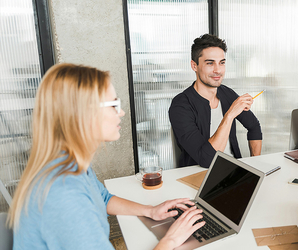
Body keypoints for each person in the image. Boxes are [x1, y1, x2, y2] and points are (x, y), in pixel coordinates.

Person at [8, 64, 205, 250]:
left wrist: (150, 210)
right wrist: (170, 240)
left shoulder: (68, 162)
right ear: (82, 114)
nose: (122, 112)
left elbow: (103, 198)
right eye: (113, 105)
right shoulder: (64, 194)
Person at [169, 34, 262, 168]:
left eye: (222, 63)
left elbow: (254, 127)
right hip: (198, 174)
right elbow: (207, 160)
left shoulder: (227, 93)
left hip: (234, 170)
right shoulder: (181, 106)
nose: (218, 70)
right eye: (210, 63)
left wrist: (255, 164)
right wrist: (230, 115)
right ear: (194, 65)